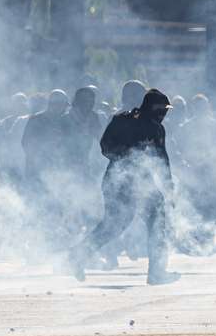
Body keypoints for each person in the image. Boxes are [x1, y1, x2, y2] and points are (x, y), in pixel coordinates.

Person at [69, 89, 179, 285]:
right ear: (152, 108)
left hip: (144, 183)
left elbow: (163, 160)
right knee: (113, 225)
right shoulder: (123, 120)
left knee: (156, 222)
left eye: (165, 111)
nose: (164, 115)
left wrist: (168, 189)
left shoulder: (157, 129)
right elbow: (105, 147)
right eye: (161, 110)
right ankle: (77, 255)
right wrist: (127, 157)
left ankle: (156, 272)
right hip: (118, 181)